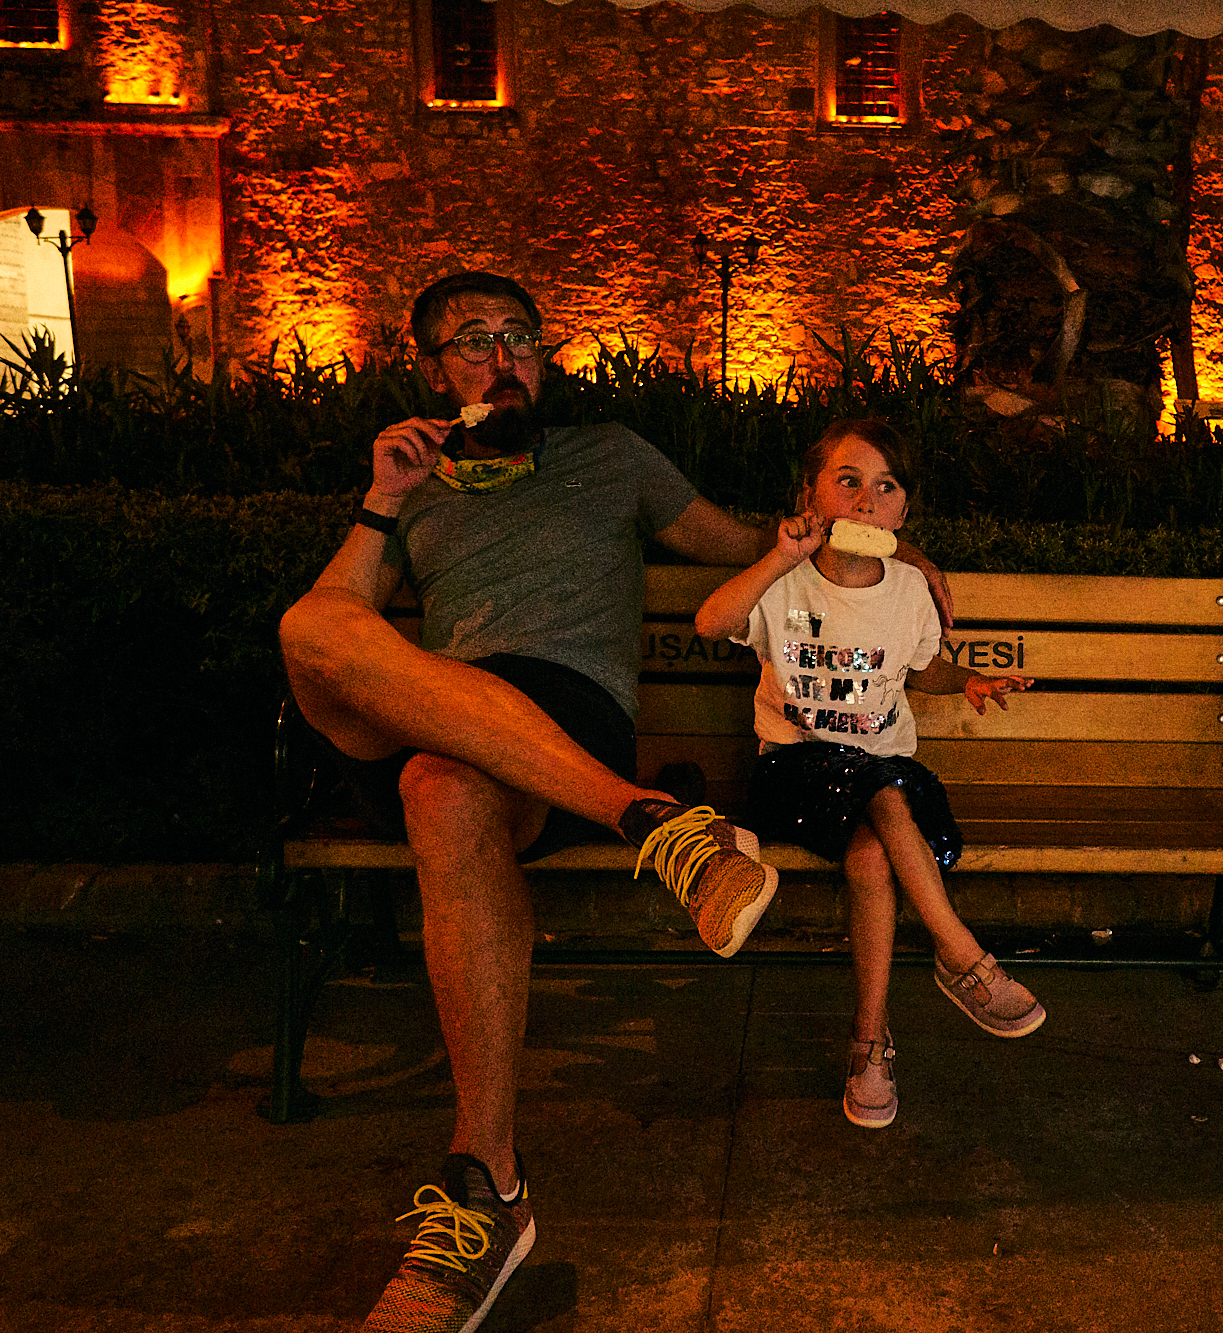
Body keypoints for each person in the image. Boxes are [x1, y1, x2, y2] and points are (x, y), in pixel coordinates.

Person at [277, 274, 948, 1333]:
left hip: (558, 723)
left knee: (440, 792)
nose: (501, 361)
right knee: (311, 629)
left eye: (519, 340)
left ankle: (484, 1185)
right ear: (428, 369)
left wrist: (874, 541)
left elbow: (748, 550)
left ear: (544, 357)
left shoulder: (612, 458)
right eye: (471, 344)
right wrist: (385, 499)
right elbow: (341, 629)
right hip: (433, 706)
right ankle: (653, 825)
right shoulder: (413, 482)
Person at [695, 418, 1044, 1130]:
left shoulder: (911, 588)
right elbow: (709, 622)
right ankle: (963, 957)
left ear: (902, 512)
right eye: (846, 482)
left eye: (885, 487)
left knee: (872, 853)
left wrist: (968, 680)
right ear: (811, 495)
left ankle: (869, 1044)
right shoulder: (784, 581)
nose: (865, 500)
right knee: (882, 792)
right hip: (792, 771)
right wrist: (780, 556)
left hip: (882, 775)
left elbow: (925, 666)